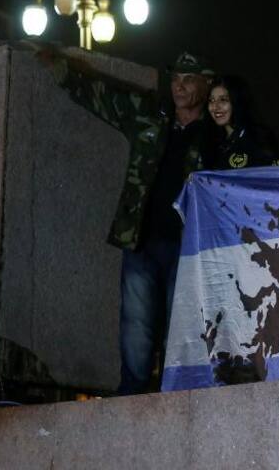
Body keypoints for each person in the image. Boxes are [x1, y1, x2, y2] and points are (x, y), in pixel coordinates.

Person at [48, 48, 217, 394]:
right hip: (140, 239)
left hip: (189, 247)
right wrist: (64, 71)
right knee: (136, 329)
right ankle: (132, 399)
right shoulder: (152, 116)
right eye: (175, 80)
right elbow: (107, 100)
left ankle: (175, 398)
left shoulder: (215, 133)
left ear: (206, 83)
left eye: (188, 80)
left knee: (179, 328)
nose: (179, 87)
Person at [205, 75, 279, 169]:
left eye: (223, 100)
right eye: (211, 100)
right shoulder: (209, 140)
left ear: (237, 101)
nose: (215, 107)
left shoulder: (259, 137)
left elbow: (273, 178)